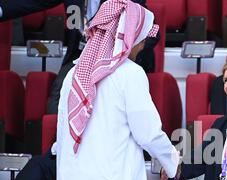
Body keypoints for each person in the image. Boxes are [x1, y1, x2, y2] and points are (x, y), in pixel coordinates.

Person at [56, 0, 179, 180]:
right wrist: (175, 163)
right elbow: (149, 133)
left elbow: (62, 139)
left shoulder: (73, 75)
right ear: (130, 34)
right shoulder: (129, 74)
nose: (143, 44)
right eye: (142, 37)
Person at [0, 0, 158, 114]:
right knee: (58, 100)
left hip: (114, 59)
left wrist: (123, 51)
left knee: (106, 104)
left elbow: (152, 31)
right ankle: (56, 152)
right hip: (79, 56)